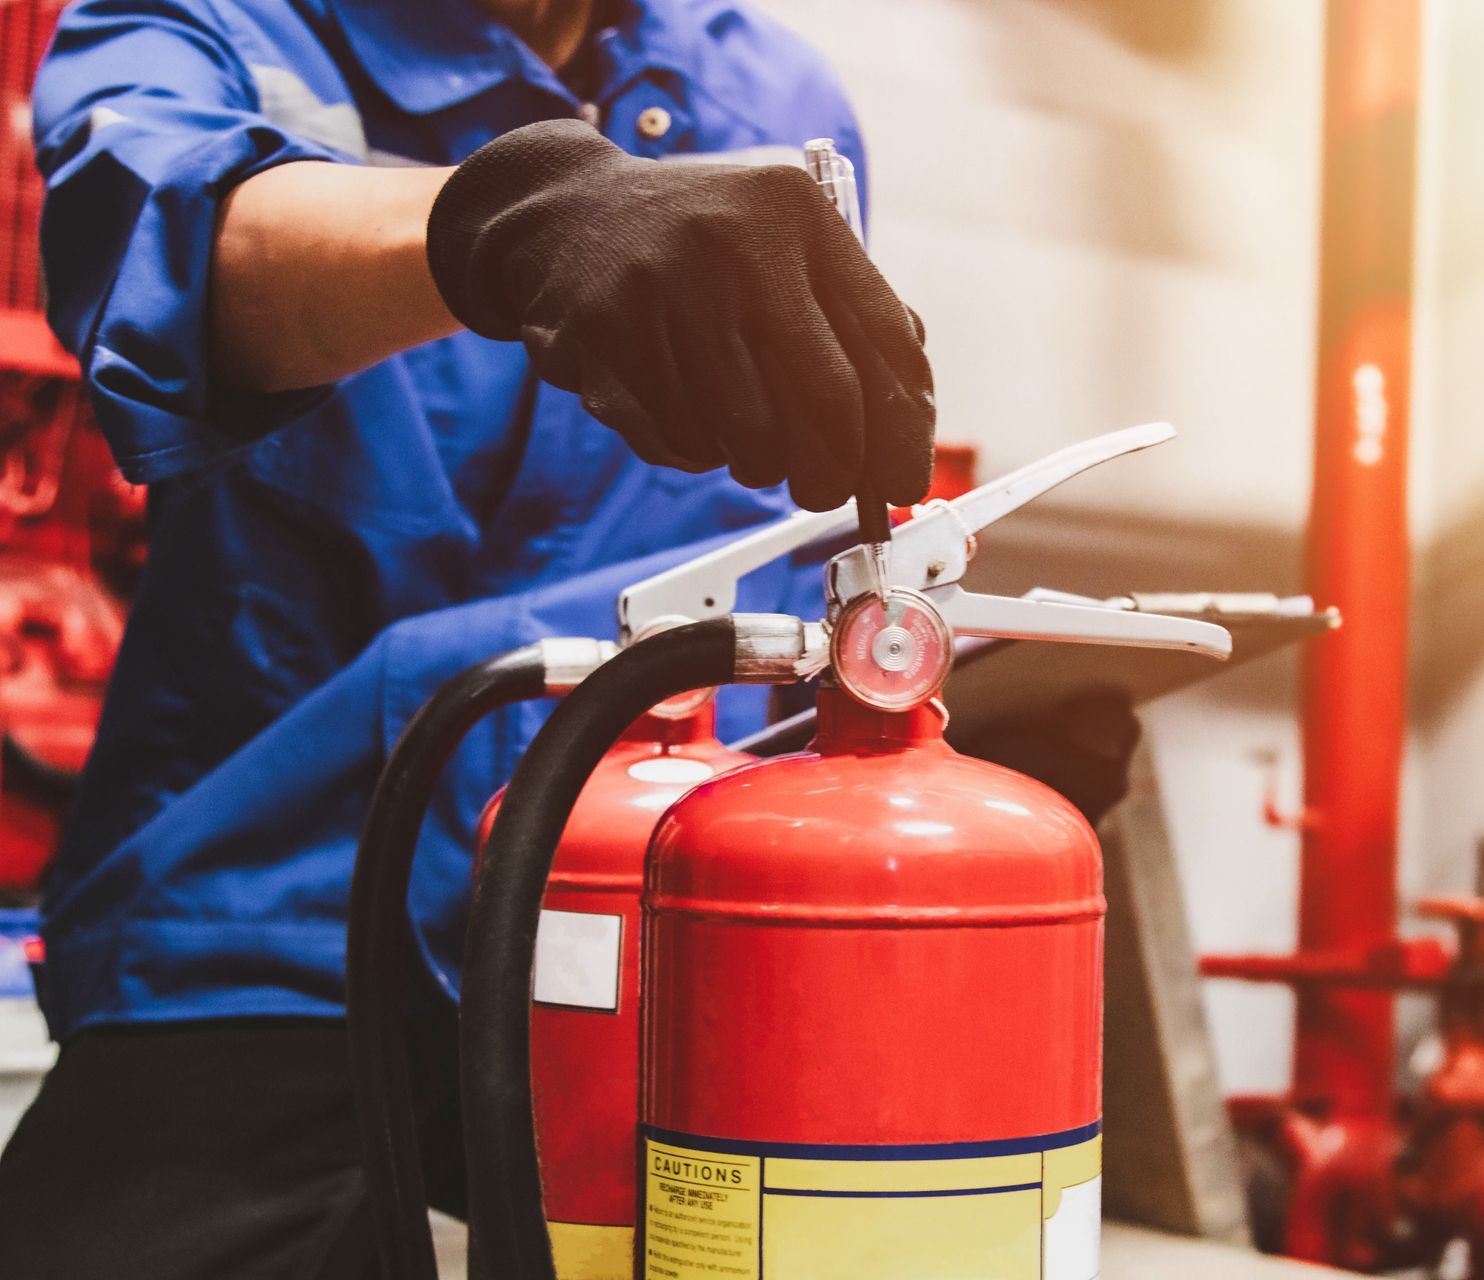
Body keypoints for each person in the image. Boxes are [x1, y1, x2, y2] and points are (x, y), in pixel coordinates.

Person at [0, 1, 934, 1275]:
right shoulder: (207, 21)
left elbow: (792, 520)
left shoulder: (774, 90)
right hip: (272, 918)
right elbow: (171, 253)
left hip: (651, 932)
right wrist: (499, 224)